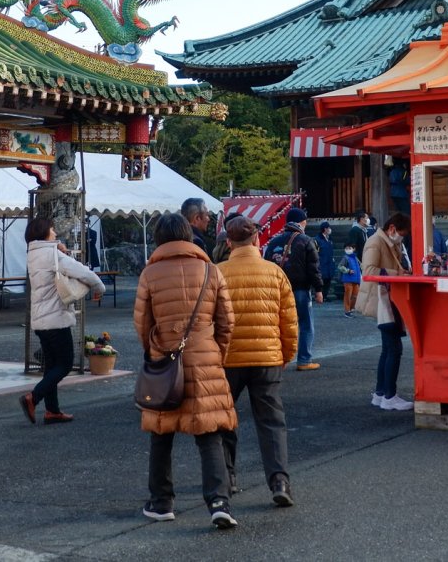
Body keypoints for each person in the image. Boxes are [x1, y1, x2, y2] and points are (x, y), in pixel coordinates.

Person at [134, 212, 239, 530]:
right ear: (187, 233)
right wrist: (215, 351)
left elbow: (142, 323)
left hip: (166, 361)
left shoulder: (150, 273)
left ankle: (161, 502)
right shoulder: (210, 269)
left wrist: (154, 351)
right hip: (206, 358)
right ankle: (219, 502)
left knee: (161, 432)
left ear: (159, 238)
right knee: (209, 433)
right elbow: (227, 321)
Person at [219, 216, 298, 507]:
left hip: (227, 359)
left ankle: (227, 478)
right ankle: (279, 480)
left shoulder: (217, 273)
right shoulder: (275, 273)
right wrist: (286, 354)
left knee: (224, 419)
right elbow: (289, 321)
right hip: (267, 357)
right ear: (256, 240)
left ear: (229, 242)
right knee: (271, 421)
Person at [19, 217, 104, 425]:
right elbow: (83, 272)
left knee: (51, 366)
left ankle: (52, 411)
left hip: (40, 319)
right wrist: (99, 287)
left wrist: (57, 249)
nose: (55, 233)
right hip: (56, 318)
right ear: (44, 232)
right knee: (65, 364)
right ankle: (34, 397)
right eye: (52, 229)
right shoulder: (52, 254)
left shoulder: (33, 253)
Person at [354, 212, 413, 411]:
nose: (402, 238)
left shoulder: (385, 241)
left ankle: (381, 393)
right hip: (382, 299)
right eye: (401, 233)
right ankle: (389, 395)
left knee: (388, 349)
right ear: (392, 228)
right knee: (394, 349)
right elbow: (369, 271)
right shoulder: (376, 242)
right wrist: (398, 274)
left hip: (385, 298)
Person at [263, 207, 323, 370]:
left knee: (279, 325)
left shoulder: (274, 242)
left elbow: (267, 265)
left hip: (278, 291)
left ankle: (277, 360)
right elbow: (313, 267)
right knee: (305, 324)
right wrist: (318, 289)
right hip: (300, 289)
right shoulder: (306, 240)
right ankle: (304, 360)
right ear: (301, 222)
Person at [339, 243, 362, 317]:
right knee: (348, 295)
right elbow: (340, 266)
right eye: (346, 248)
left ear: (353, 249)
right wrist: (348, 271)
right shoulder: (345, 258)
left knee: (355, 295)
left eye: (349, 248)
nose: (347, 249)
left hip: (356, 279)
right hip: (348, 279)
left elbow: (360, 266)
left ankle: (351, 309)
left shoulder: (355, 257)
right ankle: (347, 311)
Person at [315, 221, 335, 301]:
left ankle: (325, 296)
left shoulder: (329, 239)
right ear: (325, 229)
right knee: (322, 280)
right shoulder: (318, 239)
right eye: (329, 228)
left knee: (328, 280)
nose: (330, 229)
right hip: (322, 263)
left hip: (329, 263)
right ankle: (320, 296)